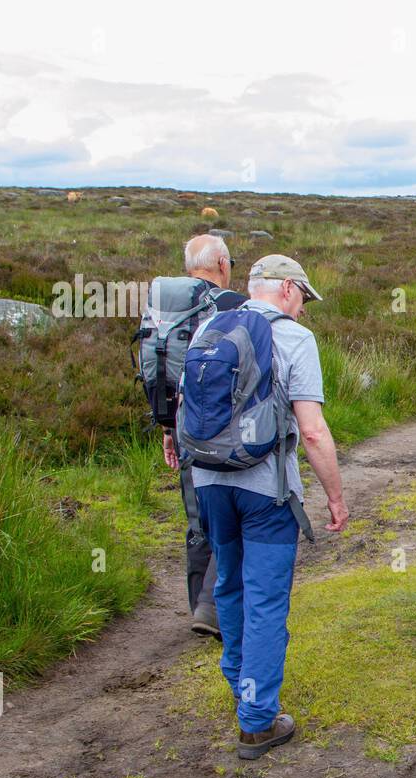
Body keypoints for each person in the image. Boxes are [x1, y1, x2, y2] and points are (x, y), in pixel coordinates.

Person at [179, 254, 350, 759]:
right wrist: (335, 497)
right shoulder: (296, 339)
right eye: (304, 300)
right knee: (266, 600)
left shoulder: (206, 326)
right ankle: (256, 721)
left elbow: (188, 405)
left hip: (209, 481)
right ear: (291, 290)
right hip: (266, 490)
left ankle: (242, 687)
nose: (304, 312)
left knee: (228, 584)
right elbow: (314, 431)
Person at [163, 234, 247, 639]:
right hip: (224, 433)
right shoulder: (232, 306)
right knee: (231, 514)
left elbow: (160, 372)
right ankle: (215, 607)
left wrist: (167, 427)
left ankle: (198, 603)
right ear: (223, 264)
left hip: (181, 428)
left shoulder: (167, 309)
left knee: (197, 517)